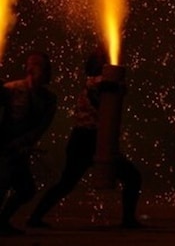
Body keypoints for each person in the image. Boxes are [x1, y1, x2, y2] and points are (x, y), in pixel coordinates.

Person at [26, 50, 142, 229]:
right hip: (86, 139)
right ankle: (128, 220)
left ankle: (35, 217)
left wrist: (118, 86)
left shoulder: (97, 83)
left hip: (90, 139)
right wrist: (116, 84)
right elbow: (105, 85)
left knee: (68, 183)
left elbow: (112, 89)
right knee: (69, 183)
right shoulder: (94, 82)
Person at [0, 51, 57, 236]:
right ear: (31, 70)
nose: (47, 73)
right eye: (42, 68)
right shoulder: (10, 90)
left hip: (18, 150)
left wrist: (22, 143)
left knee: (25, 190)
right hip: (4, 148)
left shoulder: (49, 99)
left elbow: (40, 127)